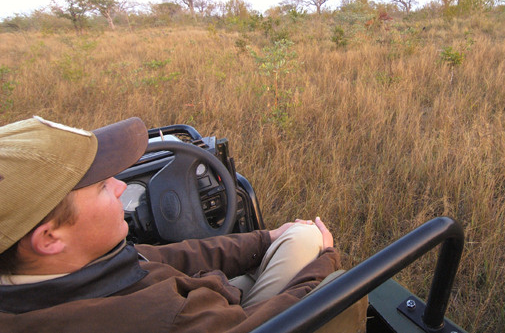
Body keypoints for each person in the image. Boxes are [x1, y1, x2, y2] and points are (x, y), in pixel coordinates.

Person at [0, 116, 365, 332]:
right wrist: (325, 260)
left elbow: (170, 257)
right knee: (344, 287)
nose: (120, 186)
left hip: (209, 302)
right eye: (100, 186)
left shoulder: (65, 270)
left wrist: (265, 237)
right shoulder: (156, 317)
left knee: (295, 236)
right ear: (49, 238)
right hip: (235, 319)